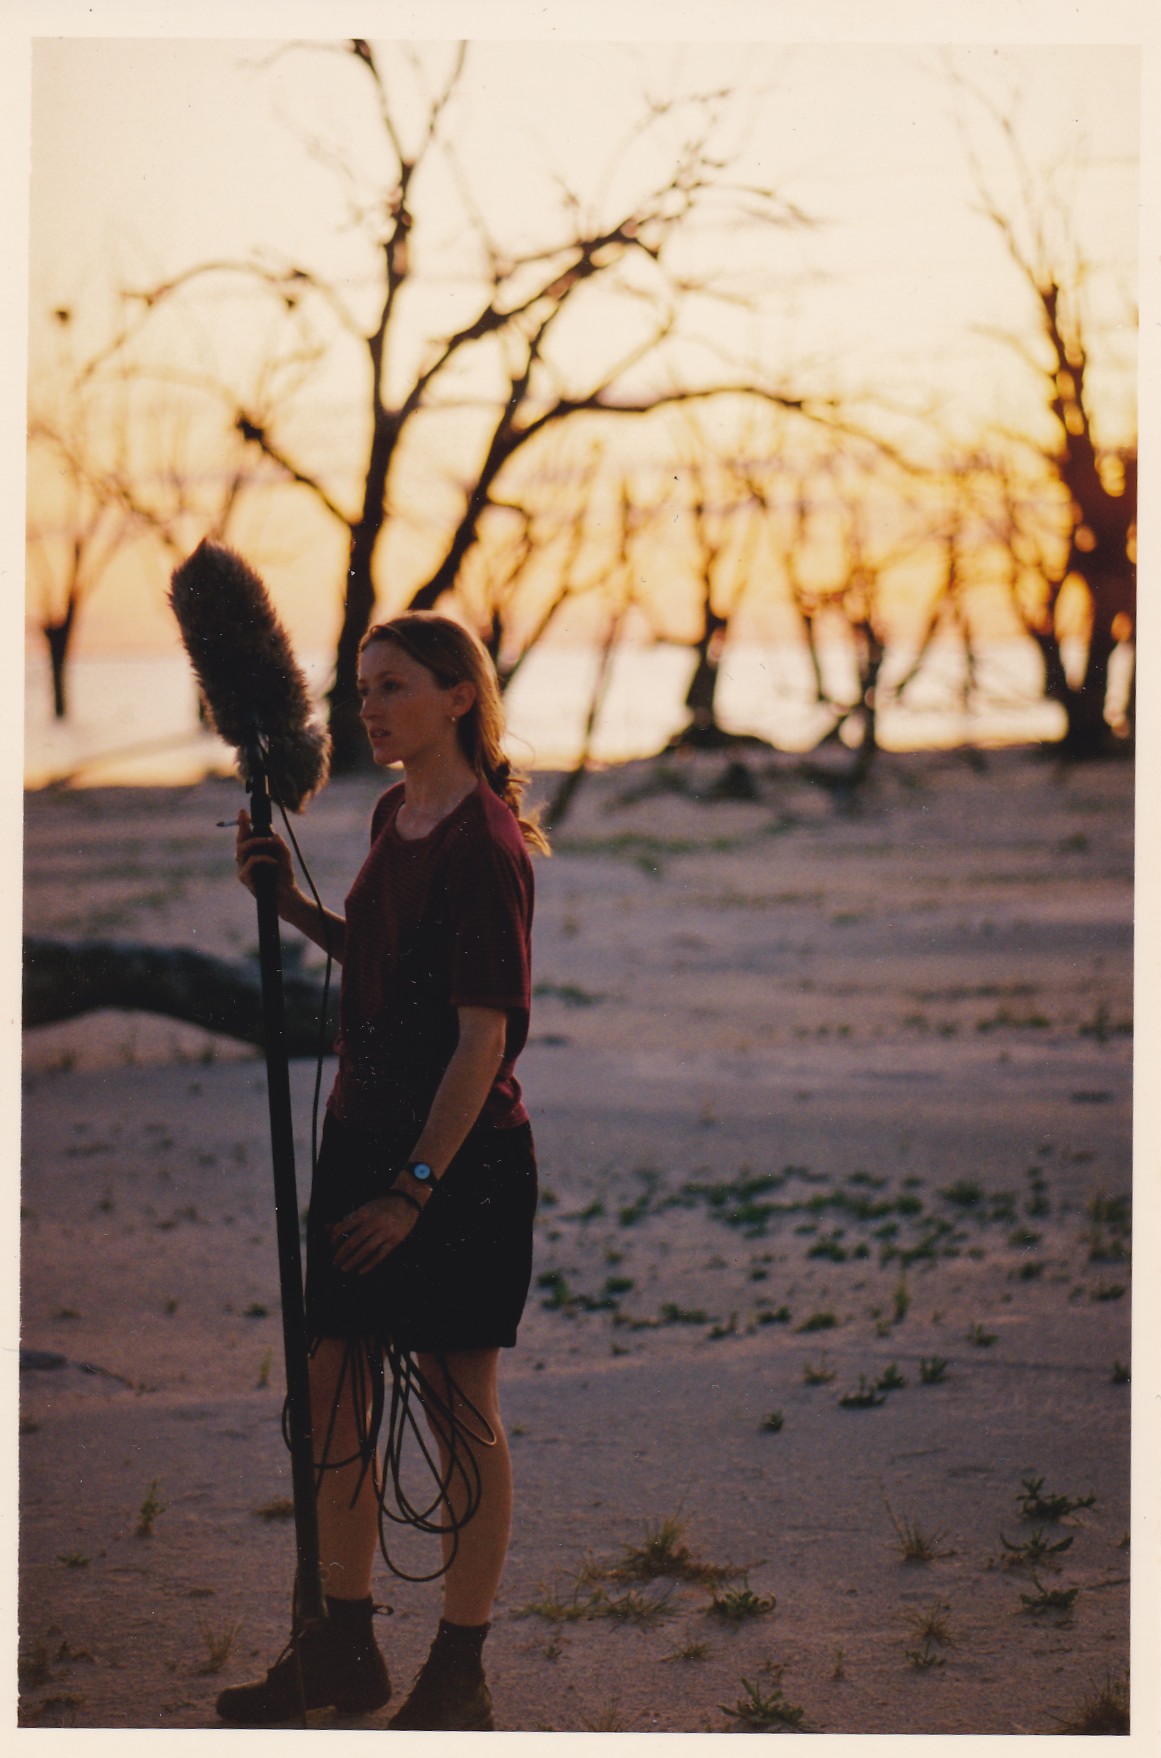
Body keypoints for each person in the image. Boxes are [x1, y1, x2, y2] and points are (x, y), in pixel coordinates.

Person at [216, 612, 548, 1730]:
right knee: (332, 1392)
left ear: (459, 697)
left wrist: (413, 1191)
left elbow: (480, 1038)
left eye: (393, 686)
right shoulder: (392, 814)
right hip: (359, 1138)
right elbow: (392, 970)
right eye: (361, 686)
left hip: (459, 1164)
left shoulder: (487, 844)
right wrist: (295, 908)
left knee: (458, 1407)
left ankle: (460, 1671)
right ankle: (341, 1648)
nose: (369, 706)